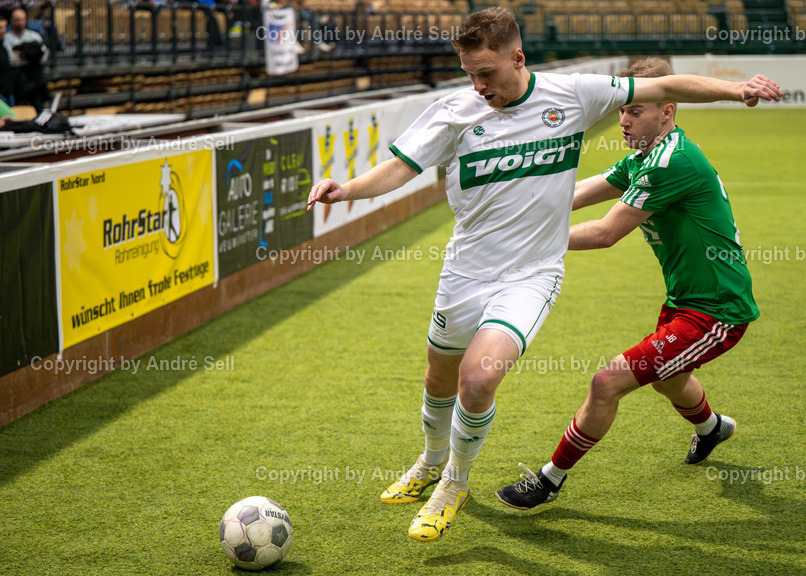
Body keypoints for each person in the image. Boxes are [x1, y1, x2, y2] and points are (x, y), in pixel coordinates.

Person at [306, 8, 780, 542]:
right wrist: (348, 189)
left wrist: (737, 89)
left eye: (487, 73)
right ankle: (430, 461)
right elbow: (400, 167)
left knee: (482, 377)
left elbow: (664, 90)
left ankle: (457, 484)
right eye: (469, 73)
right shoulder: (454, 111)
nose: (478, 85)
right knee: (439, 377)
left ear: (518, 57)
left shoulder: (573, 95)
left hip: (535, 276)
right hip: (466, 270)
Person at [494, 57, 760, 510]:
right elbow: (586, 190)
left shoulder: (669, 163)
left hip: (717, 310)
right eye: (622, 110)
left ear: (667, 110)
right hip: (687, 300)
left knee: (606, 382)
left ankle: (549, 480)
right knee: (669, 380)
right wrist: (521, 207)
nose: (623, 119)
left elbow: (604, 234)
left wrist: (529, 242)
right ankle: (713, 428)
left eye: (635, 110)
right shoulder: (647, 156)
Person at [3, 8, 51, 112]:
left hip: (36, 79)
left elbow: (44, 55)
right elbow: (12, 60)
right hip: (18, 81)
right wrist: (31, 56)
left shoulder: (34, 36)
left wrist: (22, 54)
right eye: (17, 20)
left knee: (40, 107)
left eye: (22, 19)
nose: (20, 22)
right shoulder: (7, 39)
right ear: (11, 20)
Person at [0, 18, 14, 106]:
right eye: (0, 27)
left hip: (7, 91)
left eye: (5, 27)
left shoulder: (4, 47)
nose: (4, 30)